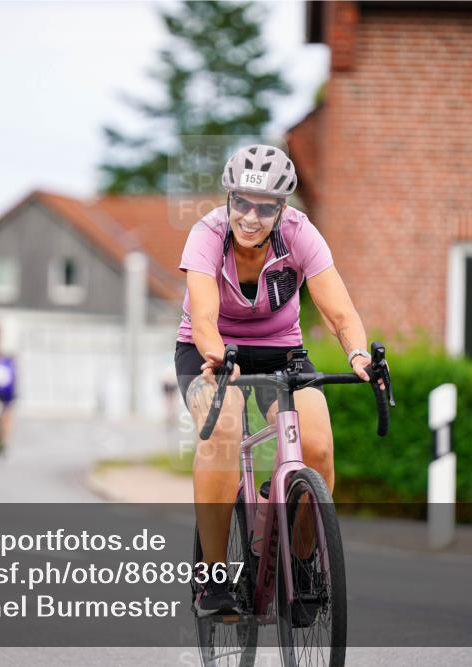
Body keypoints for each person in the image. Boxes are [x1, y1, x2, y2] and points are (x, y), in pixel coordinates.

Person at [177, 145, 376, 616]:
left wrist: (359, 352)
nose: (251, 216)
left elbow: (339, 310)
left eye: (265, 207)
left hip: (281, 351)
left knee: (319, 446)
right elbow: (203, 317)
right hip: (209, 352)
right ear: (229, 199)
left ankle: (303, 563)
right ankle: (211, 576)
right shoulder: (206, 235)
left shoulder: (300, 234)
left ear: (282, 208)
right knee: (224, 429)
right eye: (242, 202)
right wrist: (216, 353)